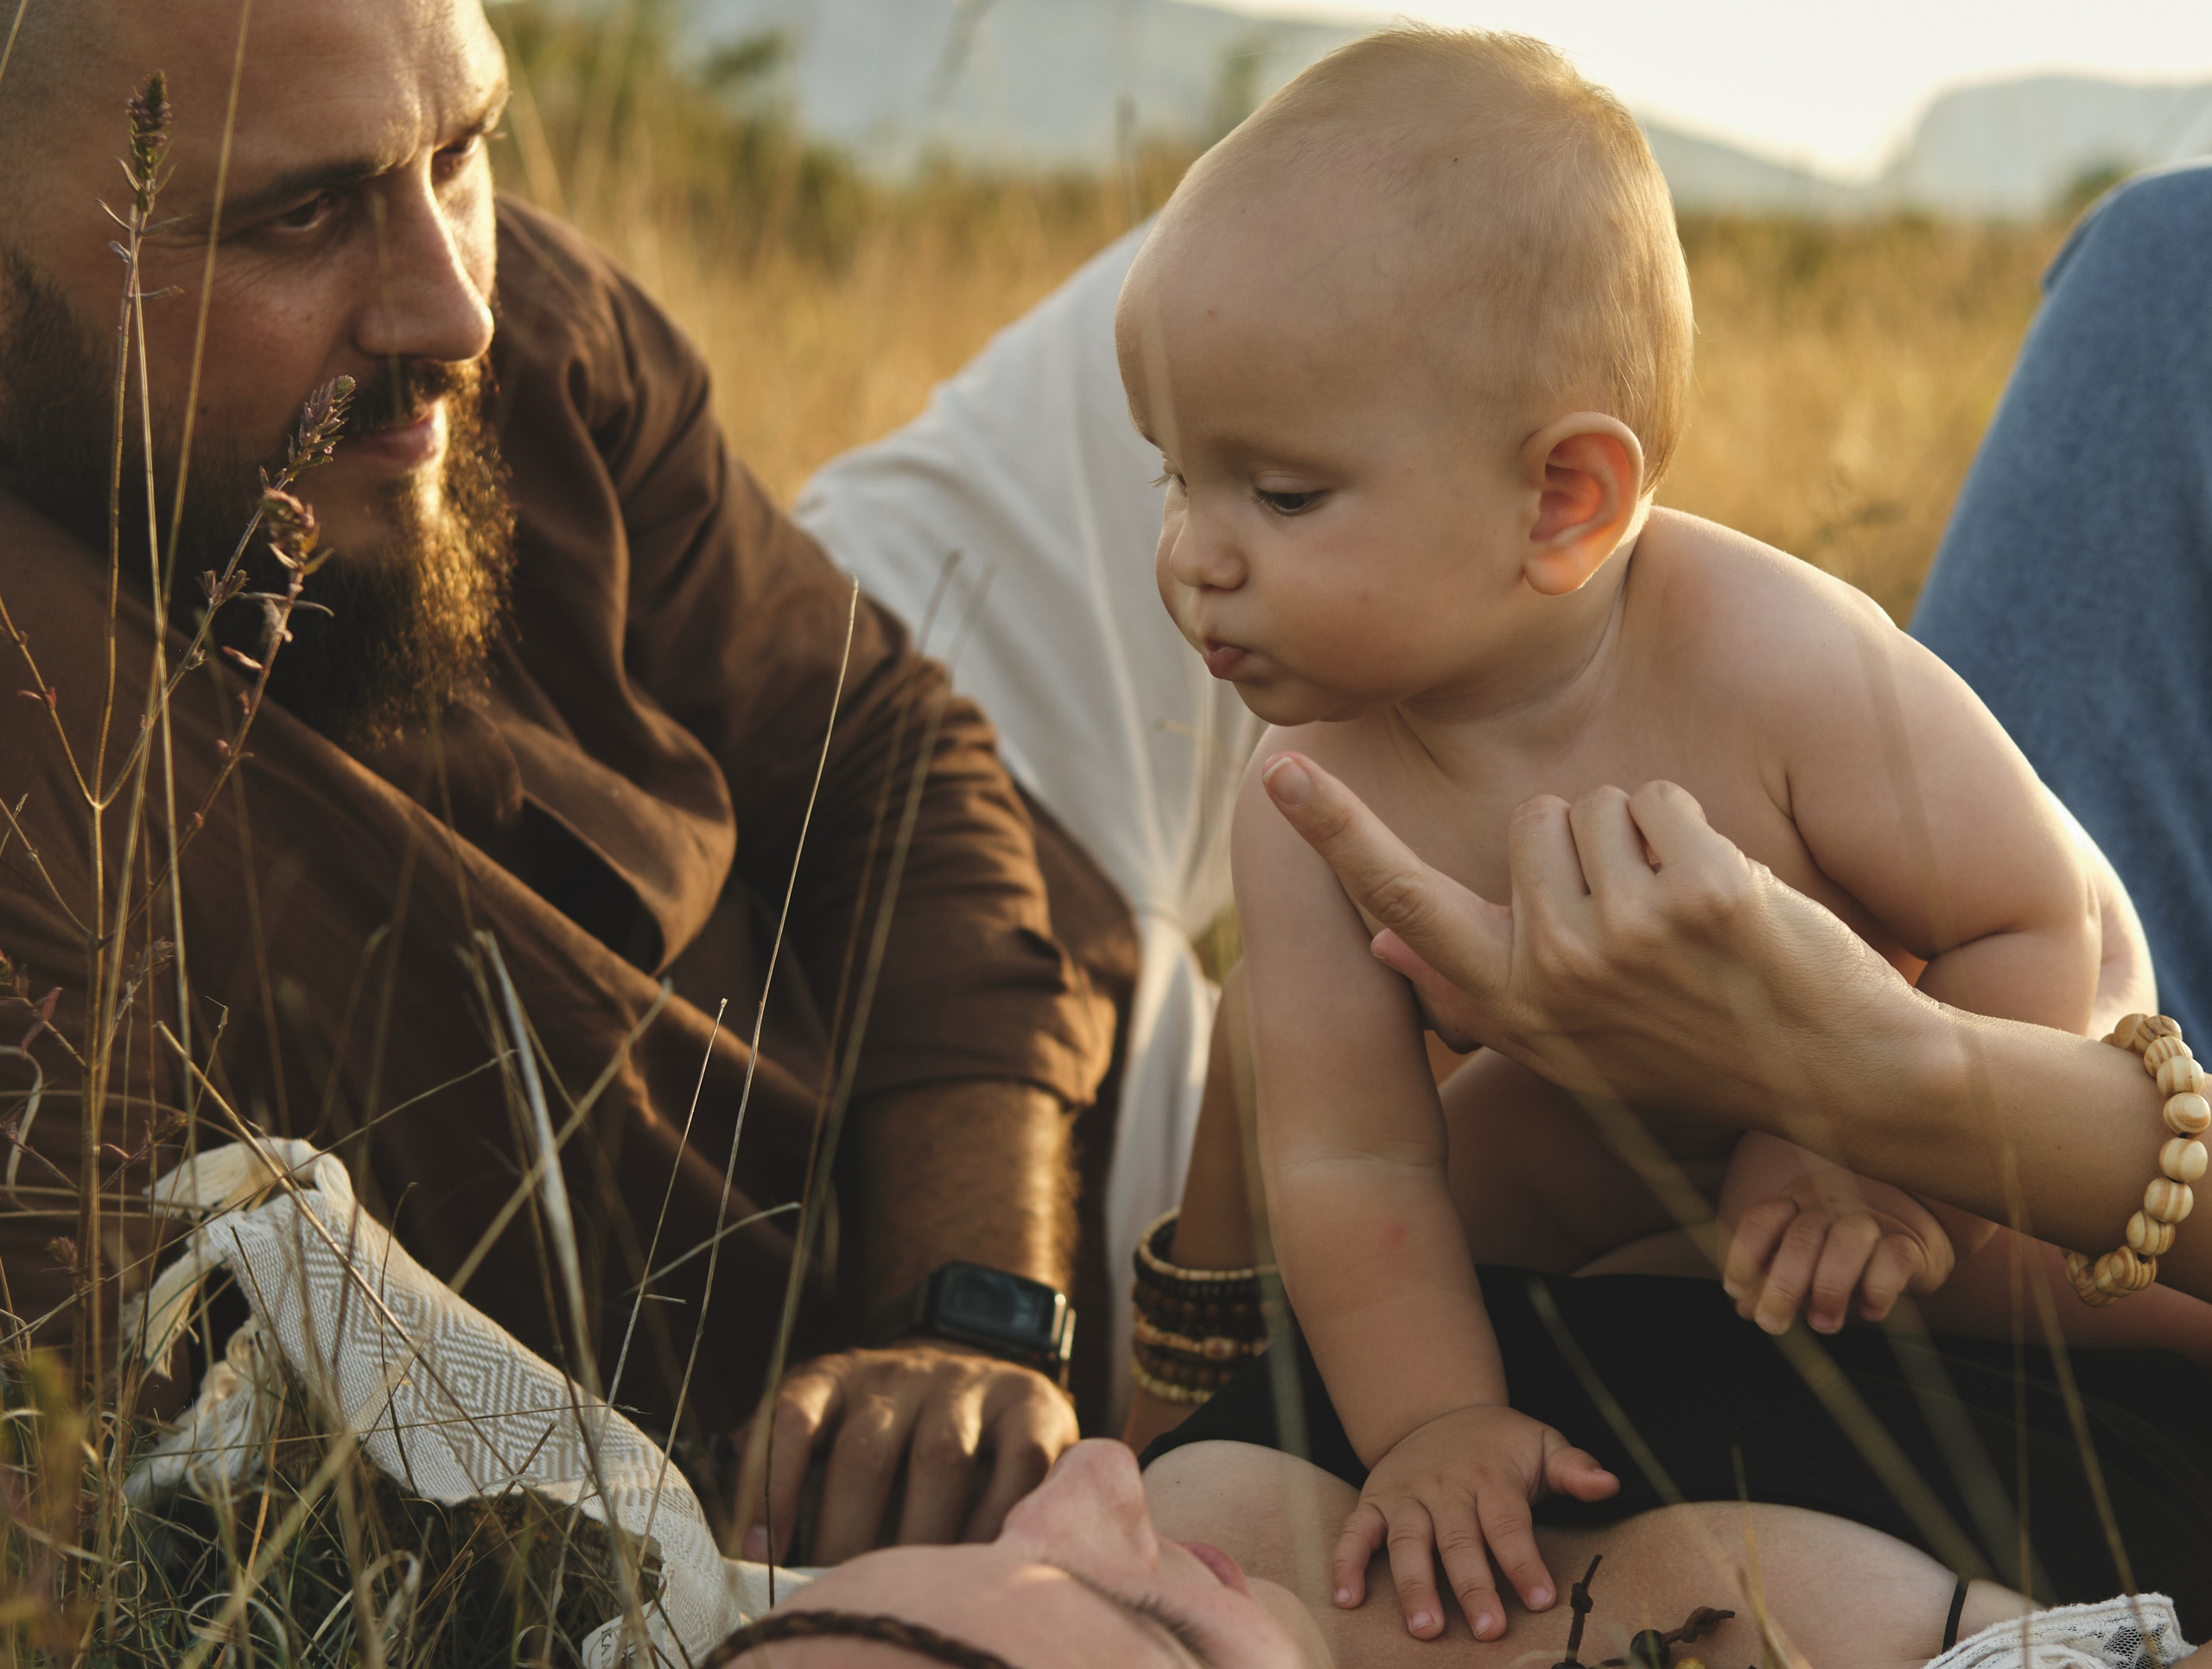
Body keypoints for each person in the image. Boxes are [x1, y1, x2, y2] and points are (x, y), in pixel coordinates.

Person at [1113, 25, 2209, 1644]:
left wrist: (1859, 1148)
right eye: (1170, 484)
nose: (1194, 561)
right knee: (1473, 1217)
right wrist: (1431, 1425)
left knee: (2074, 1313)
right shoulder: (1309, 795)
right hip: (1665, 1230)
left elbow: (2036, 916)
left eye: (1278, 499)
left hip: (2012, 1148)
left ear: (1563, 498)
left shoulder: (1777, 659)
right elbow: (1348, 1154)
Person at [0, 0, 1116, 1557]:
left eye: (459, 152)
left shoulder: (508, 322)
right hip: (992, 1444)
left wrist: (978, 1308)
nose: (457, 313)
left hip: (1034, 1145)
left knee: (1311, 273)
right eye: (298, 213)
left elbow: (888, 746)